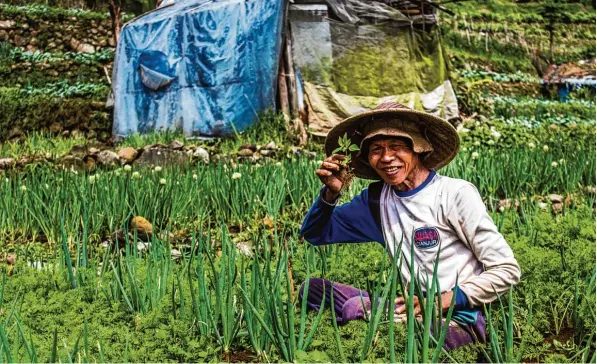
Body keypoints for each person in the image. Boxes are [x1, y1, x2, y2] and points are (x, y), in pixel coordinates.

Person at [299, 102, 521, 350]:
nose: (386, 157)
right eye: (376, 149)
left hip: (457, 313)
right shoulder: (376, 201)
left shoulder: (454, 194)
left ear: (419, 148)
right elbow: (314, 234)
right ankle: (381, 319)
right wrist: (330, 195)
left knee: (429, 338)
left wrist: (441, 302)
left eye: (397, 147)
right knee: (313, 289)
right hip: (411, 305)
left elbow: (507, 270)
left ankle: (379, 324)